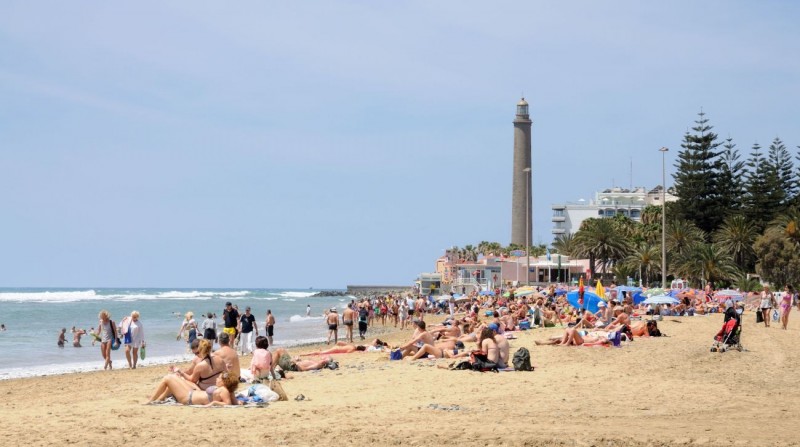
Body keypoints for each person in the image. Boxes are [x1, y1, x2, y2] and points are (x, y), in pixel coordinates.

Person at [148, 370, 240, 406]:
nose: (216, 379)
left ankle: (151, 400)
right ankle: (159, 399)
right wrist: (239, 402)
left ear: (224, 382)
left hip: (188, 398)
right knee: (177, 379)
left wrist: (214, 402)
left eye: (219, 378)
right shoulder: (226, 390)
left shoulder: (224, 390)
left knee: (168, 378)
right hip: (192, 393)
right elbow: (234, 402)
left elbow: (227, 404)